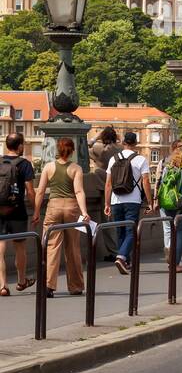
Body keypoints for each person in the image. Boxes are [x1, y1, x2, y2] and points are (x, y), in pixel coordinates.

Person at [32, 137, 92, 297]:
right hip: (72, 208)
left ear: (57, 151)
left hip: (53, 207)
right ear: (72, 151)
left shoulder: (48, 167)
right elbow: (79, 191)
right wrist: (84, 211)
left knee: (52, 247)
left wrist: (36, 212)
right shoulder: (76, 168)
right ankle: (76, 286)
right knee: (73, 247)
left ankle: (48, 286)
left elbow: (40, 191)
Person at [104, 130, 153, 275]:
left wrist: (107, 204)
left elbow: (108, 184)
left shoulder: (113, 159)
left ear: (124, 142)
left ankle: (126, 261)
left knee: (120, 231)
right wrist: (149, 201)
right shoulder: (140, 160)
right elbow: (145, 181)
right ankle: (122, 257)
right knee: (131, 231)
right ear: (136, 144)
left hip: (116, 199)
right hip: (133, 200)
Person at [0, 132, 36, 297]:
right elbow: (30, 191)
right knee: (19, 246)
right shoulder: (25, 164)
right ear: (20, 146)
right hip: (18, 209)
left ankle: (3, 285)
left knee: (0, 248)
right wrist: (36, 210)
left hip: (0, 209)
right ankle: (21, 280)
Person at [89, 127, 122, 261]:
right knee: (120, 220)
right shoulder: (120, 149)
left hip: (105, 188)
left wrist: (95, 137)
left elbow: (83, 147)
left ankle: (114, 252)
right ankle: (123, 250)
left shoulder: (99, 148)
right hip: (120, 186)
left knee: (108, 221)